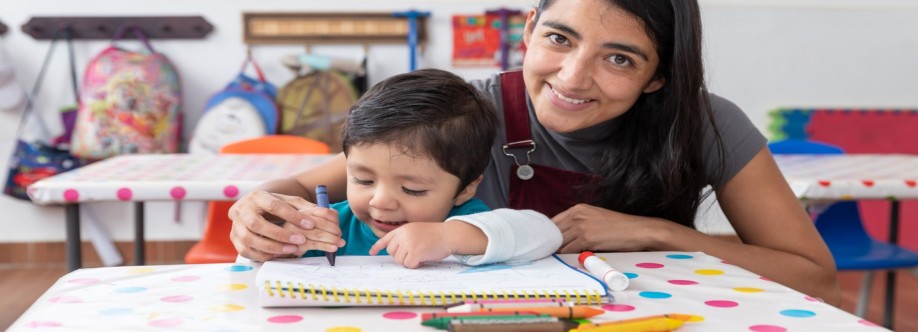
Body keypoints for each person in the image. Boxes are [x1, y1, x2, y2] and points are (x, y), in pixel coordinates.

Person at [229, 0, 840, 304]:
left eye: (619, 58)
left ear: (659, 77)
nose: (574, 78)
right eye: (559, 38)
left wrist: (658, 233)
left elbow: (814, 276)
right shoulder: (461, 114)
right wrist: (257, 217)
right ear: (528, 31)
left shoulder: (706, 123)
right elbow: (292, 194)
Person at [237, 68, 561, 268]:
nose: (381, 201)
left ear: (465, 188)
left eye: (412, 189)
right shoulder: (326, 226)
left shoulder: (463, 222)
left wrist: (449, 236)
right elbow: (256, 264)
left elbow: (545, 233)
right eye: (362, 180)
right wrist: (274, 242)